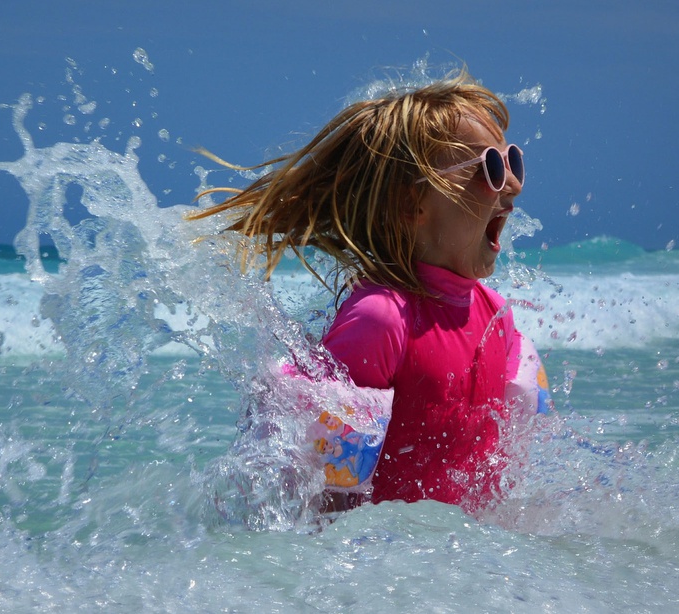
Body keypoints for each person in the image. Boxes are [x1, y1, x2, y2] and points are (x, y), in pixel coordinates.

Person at [189, 68, 545, 514]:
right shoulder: (382, 320)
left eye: (512, 161)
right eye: (489, 169)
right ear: (412, 204)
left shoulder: (495, 315)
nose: (512, 185)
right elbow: (325, 496)